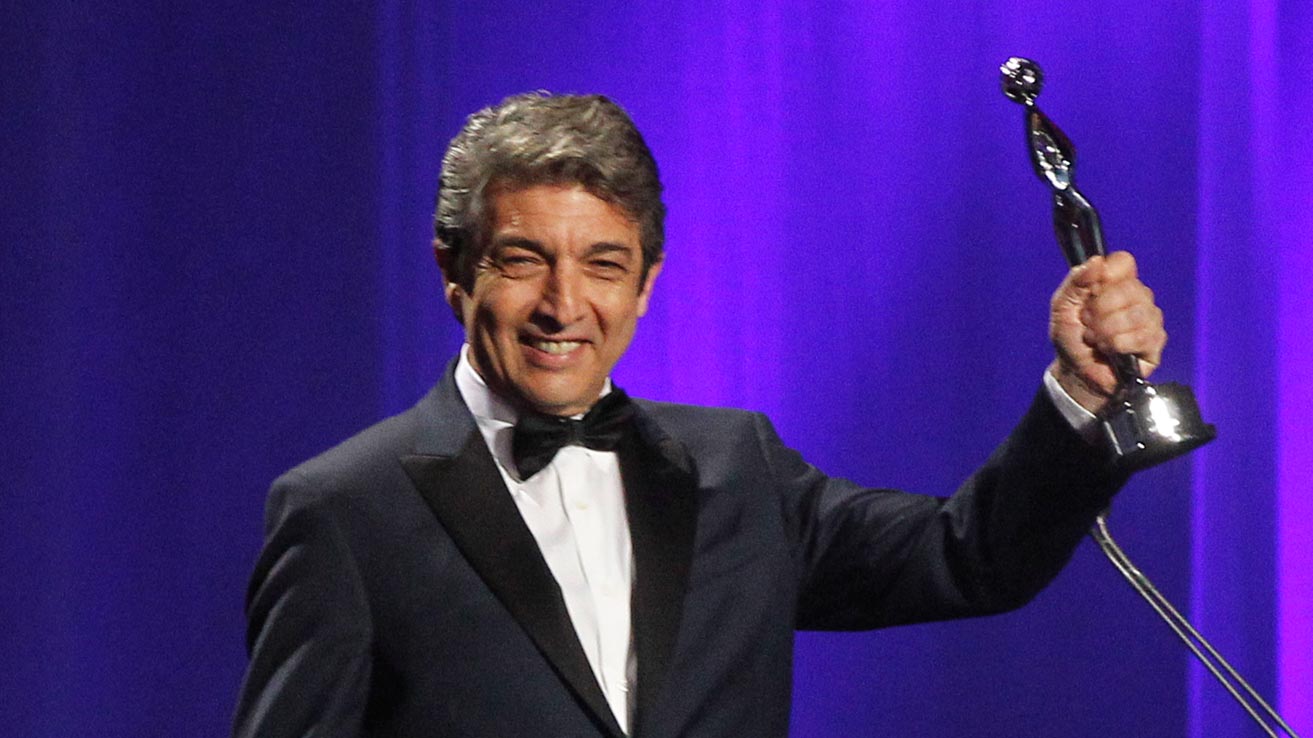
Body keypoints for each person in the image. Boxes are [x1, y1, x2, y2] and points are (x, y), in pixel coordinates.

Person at [232, 93, 1165, 738]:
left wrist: (1079, 394)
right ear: (453, 270)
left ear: (645, 286)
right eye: (522, 260)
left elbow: (968, 558)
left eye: (603, 265)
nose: (564, 305)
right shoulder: (345, 511)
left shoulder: (736, 468)